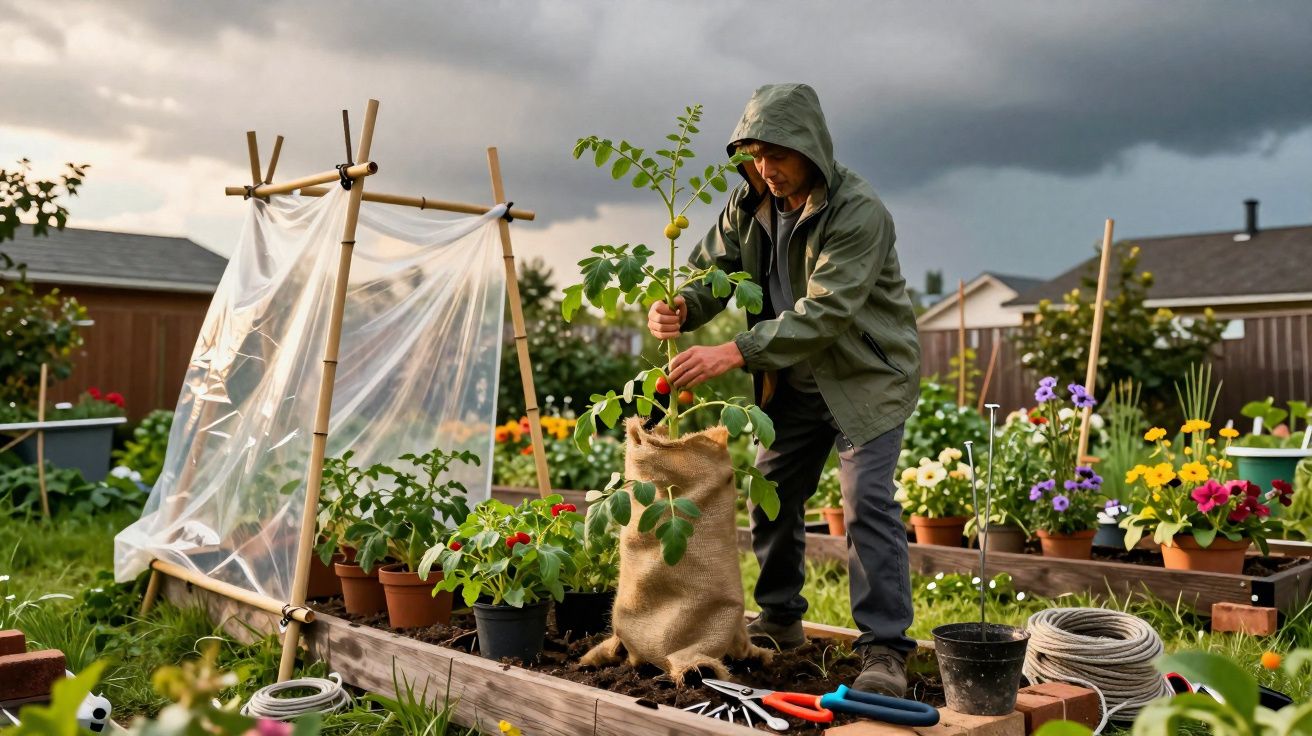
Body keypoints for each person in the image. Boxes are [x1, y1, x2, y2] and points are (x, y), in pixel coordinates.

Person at [648, 83, 922, 696]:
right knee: (771, 493)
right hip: (793, 382)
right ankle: (778, 619)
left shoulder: (858, 212)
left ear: (813, 151)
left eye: (779, 155)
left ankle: (884, 650)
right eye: (753, 155)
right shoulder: (748, 206)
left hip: (864, 379)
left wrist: (733, 350)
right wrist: (678, 307)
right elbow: (708, 277)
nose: (765, 169)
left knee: (867, 506)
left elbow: (827, 312)